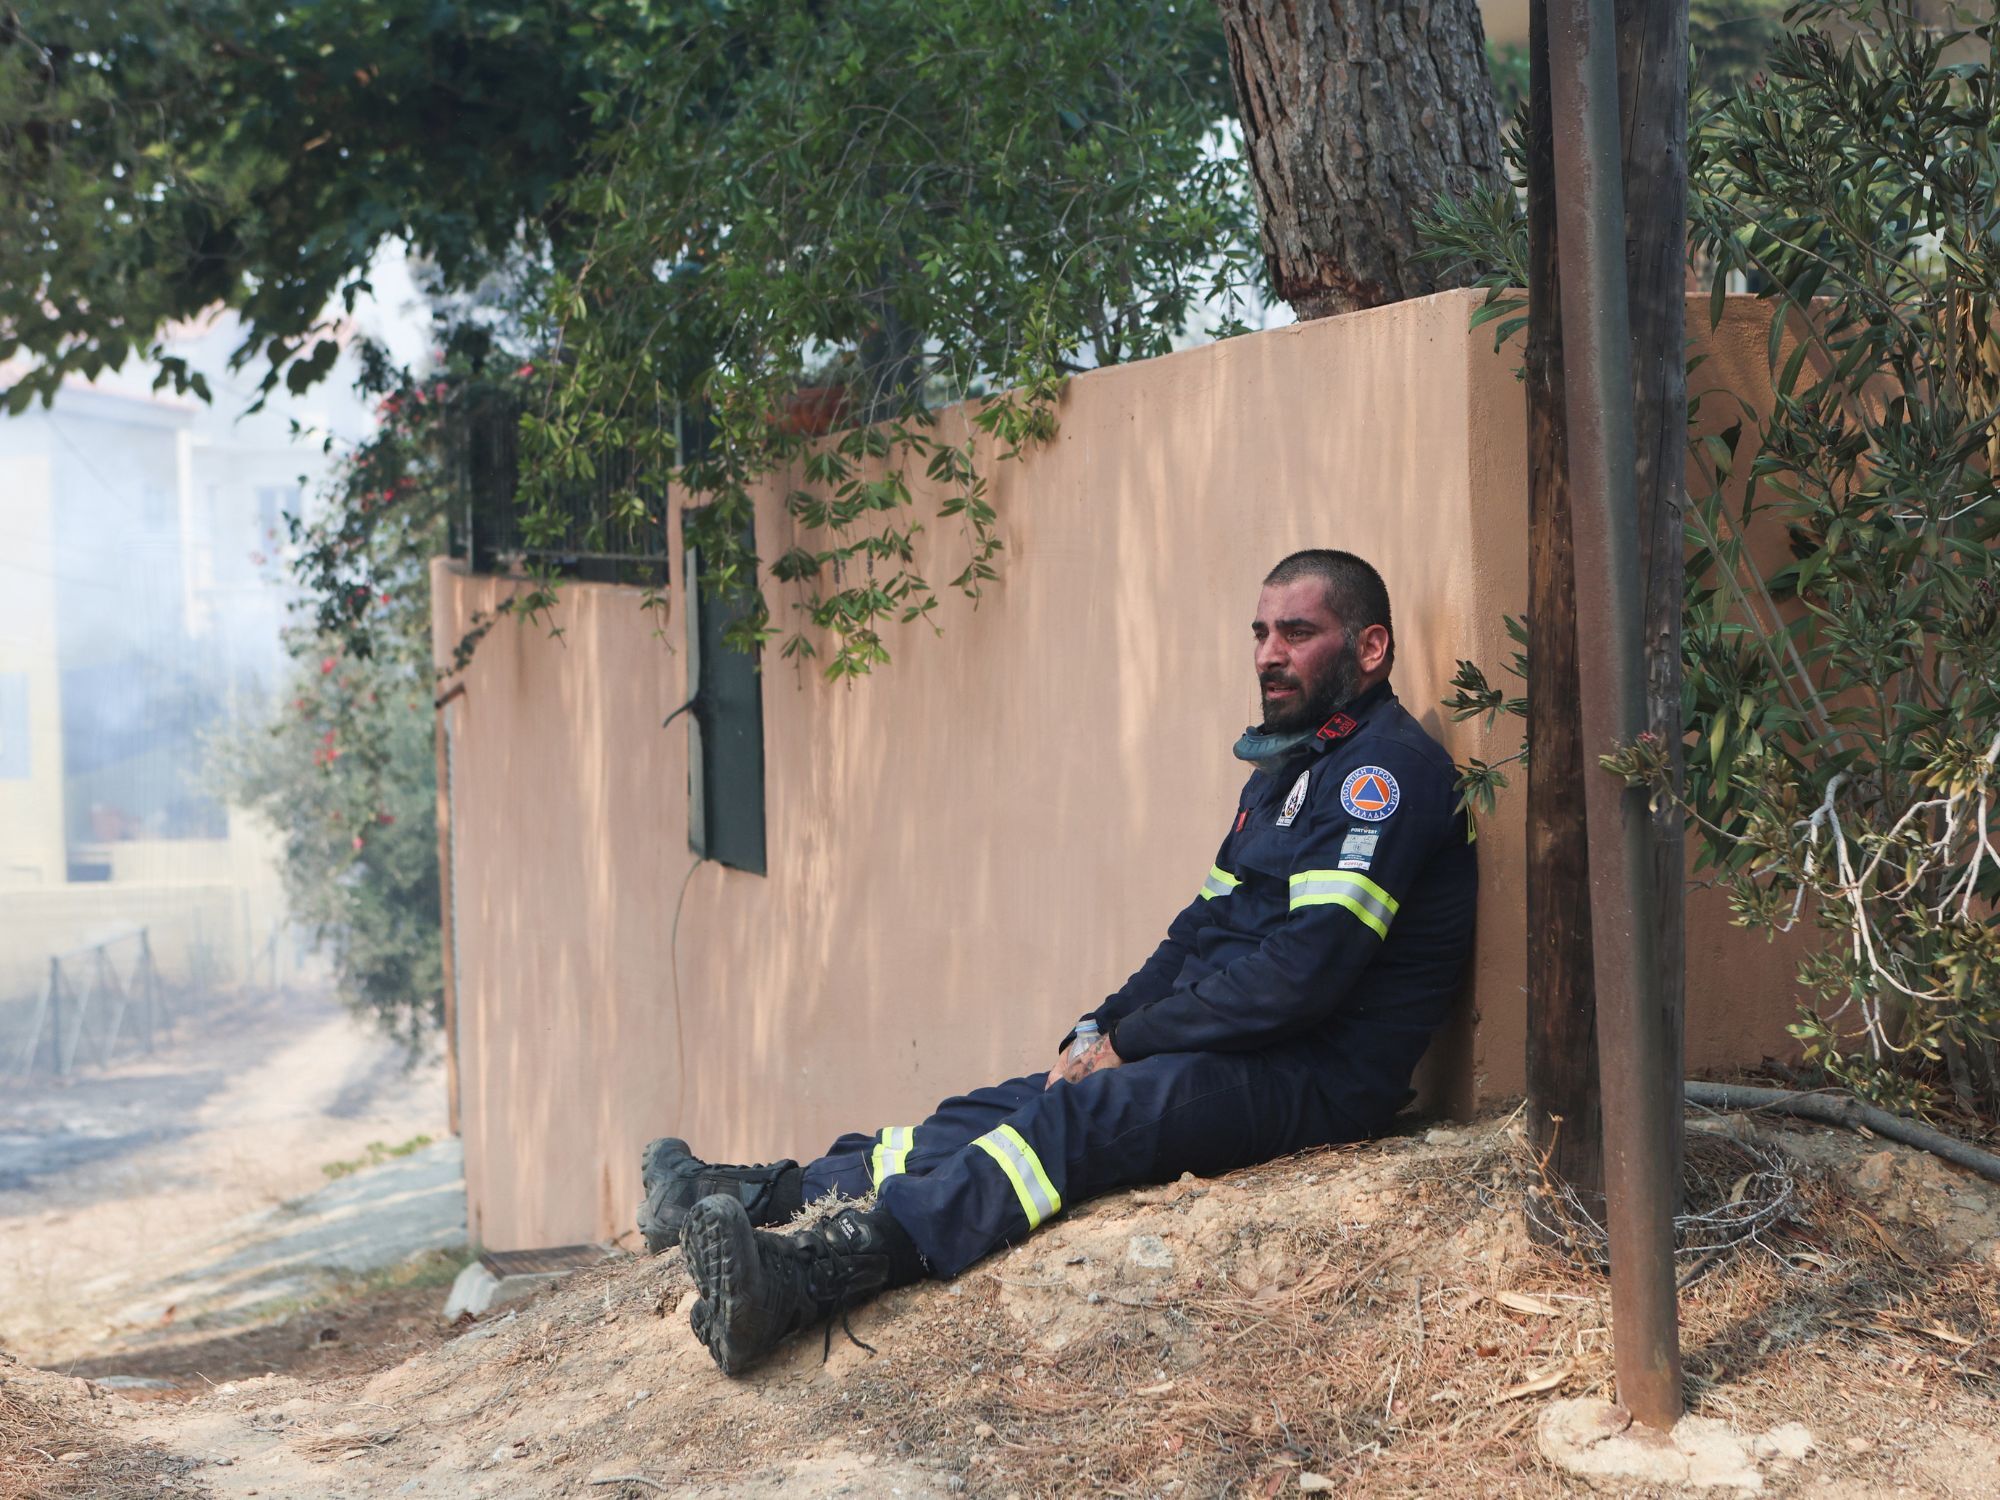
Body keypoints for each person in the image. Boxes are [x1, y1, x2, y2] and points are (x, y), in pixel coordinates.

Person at [642, 549, 1478, 1376]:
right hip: (1235, 1046)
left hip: (1317, 1072)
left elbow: (1306, 976)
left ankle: (809, 1279)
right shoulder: (1285, 767)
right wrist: (1099, 1026)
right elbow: (1196, 932)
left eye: (1297, 632)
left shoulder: (1386, 773)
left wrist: (1136, 1042)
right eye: (1261, 632)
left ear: (1370, 649)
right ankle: (754, 1196)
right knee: (992, 1109)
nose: (1268, 653)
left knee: (1075, 1122)